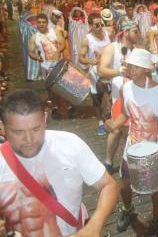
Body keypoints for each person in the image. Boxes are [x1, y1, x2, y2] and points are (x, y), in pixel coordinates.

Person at [0, 89, 119, 237]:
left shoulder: (70, 144)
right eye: (18, 132)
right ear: (2, 127)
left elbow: (108, 185)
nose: (29, 139)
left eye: (36, 129)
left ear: (44, 119)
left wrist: (94, 226)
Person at [105, 49, 158, 235]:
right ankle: (128, 210)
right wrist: (113, 125)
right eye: (129, 66)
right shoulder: (125, 87)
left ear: (145, 70)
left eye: (135, 67)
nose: (130, 69)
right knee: (125, 183)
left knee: (156, 188)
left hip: (154, 150)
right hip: (132, 147)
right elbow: (126, 115)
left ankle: (156, 217)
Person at [98, 19, 141, 173]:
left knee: (133, 132)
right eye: (135, 31)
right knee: (115, 131)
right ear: (125, 32)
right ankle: (108, 163)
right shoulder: (112, 48)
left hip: (135, 99)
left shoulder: (138, 50)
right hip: (118, 99)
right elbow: (101, 70)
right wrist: (118, 71)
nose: (138, 34)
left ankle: (133, 165)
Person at [28, 13, 67, 119]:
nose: (41, 24)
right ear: (36, 23)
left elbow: (63, 44)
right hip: (45, 66)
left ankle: (65, 107)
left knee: (63, 86)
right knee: (50, 88)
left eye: (43, 22)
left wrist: (58, 51)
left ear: (47, 23)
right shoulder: (34, 37)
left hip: (59, 64)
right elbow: (30, 52)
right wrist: (37, 57)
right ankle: (55, 107)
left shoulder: (55, 32)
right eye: (39, 22)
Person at [79, 13, 111, 136]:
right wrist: (91, 61)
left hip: (108, 71)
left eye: (101, 24)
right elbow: (81, 58)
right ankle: (100, 123)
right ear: (90, 26)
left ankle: (109, 119)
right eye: (97, 24)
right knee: (97, 99)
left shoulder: (107, 34)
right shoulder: (87, 39)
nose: (100, 26)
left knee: (110, 96)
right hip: (95, 73)